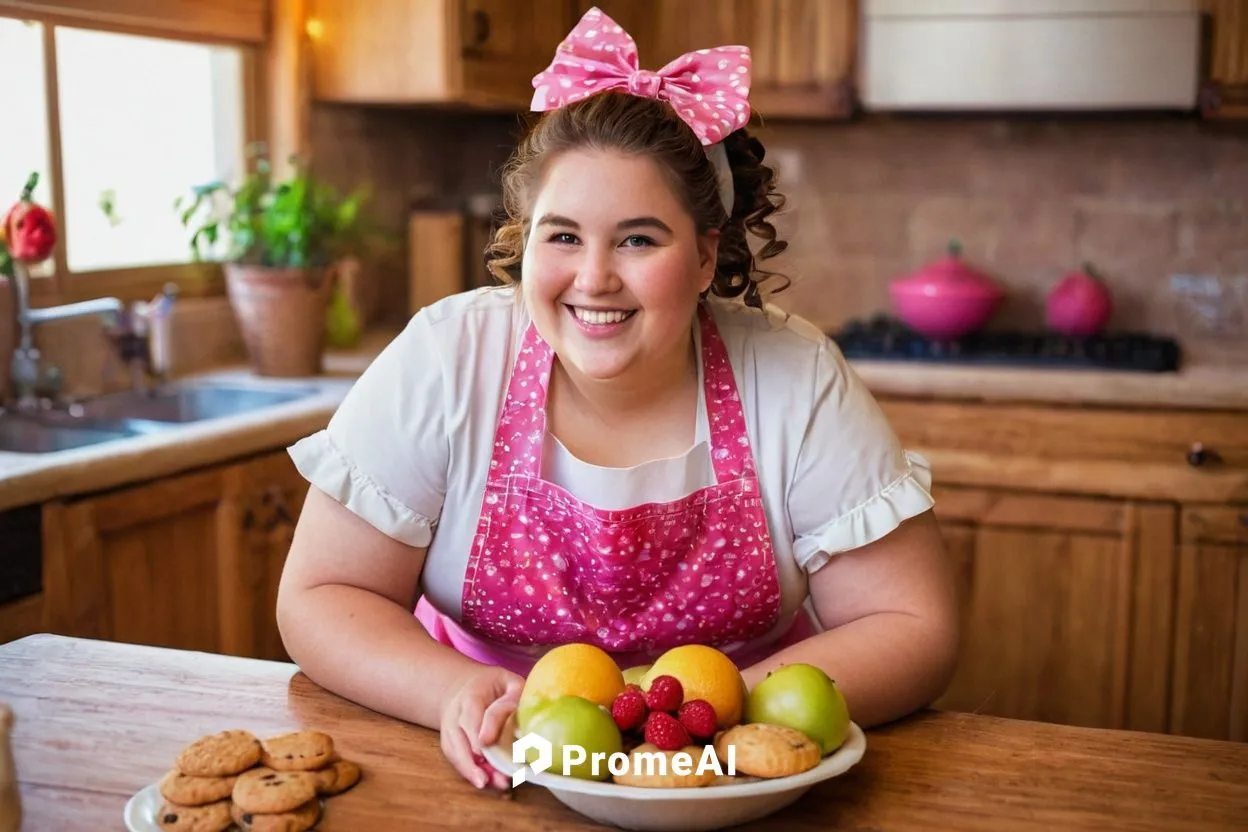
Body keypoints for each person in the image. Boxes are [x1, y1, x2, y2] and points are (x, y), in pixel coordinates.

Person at [276, 7, 958, 792]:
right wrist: (451, 692)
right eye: (562, 236)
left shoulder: (794, 378)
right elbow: (322, 595)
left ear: (705, 256)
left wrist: (710, 716)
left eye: (638, 239)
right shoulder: (449, 359)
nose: (594, 278)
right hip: (485, 765)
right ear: (523, 239)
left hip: (730, 777)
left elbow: (913, 626)